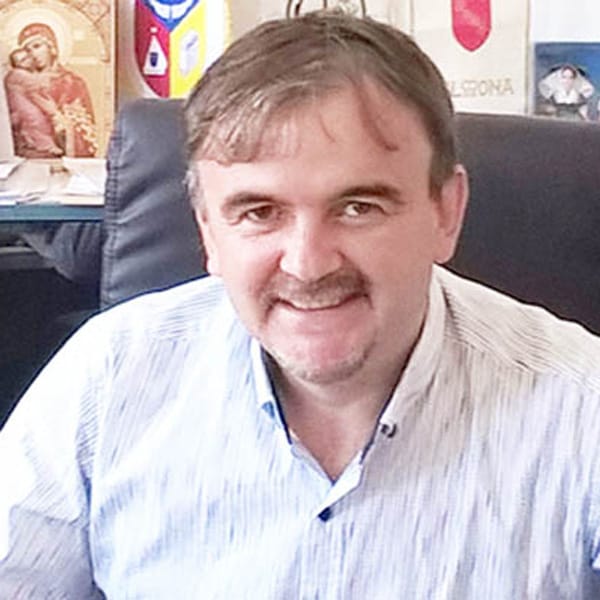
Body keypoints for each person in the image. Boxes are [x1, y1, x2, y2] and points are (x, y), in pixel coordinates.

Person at [1, 11, 600, 598]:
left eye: (359, 207)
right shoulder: (109, 380)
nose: (308, 265)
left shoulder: (581, 407)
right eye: (259, 212)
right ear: (208, 231)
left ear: (446, 211)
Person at [7, 22, 98, 158]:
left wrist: (55, 115)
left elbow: (85, 135)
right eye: (27, 50)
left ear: (52, 47)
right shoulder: (19, 82)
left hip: (60, 160)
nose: (33, 54)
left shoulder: (72, 83)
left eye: (37, 46)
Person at [3, 48, 64, 157]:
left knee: (40, 122)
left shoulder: (26, 74)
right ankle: (46, 146)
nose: (26, 61)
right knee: (37, 121)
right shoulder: (18, 74)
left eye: (27, 58)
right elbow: (36, 88)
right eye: (21, 61)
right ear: (16, 64)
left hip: (23, 106)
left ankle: (45, 145)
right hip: (22, 108)